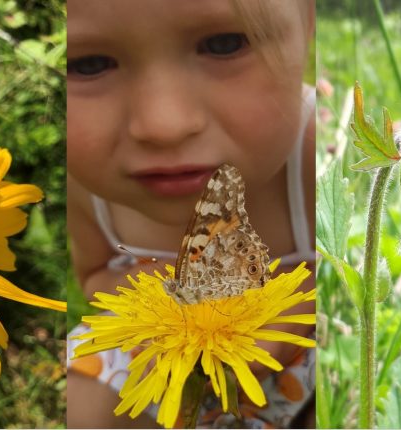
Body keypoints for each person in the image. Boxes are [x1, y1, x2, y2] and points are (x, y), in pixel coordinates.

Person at [66, 0, 316, 427]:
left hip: (293, 346)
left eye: (224, 43)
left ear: (310, 23)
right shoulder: (85, 186)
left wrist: (279, 317)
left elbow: (343, 281)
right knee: (80, 386)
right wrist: (157, 308)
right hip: (160, 356)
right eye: (88, 63)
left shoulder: (315, 157)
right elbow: (95, 278)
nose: (164, 124)